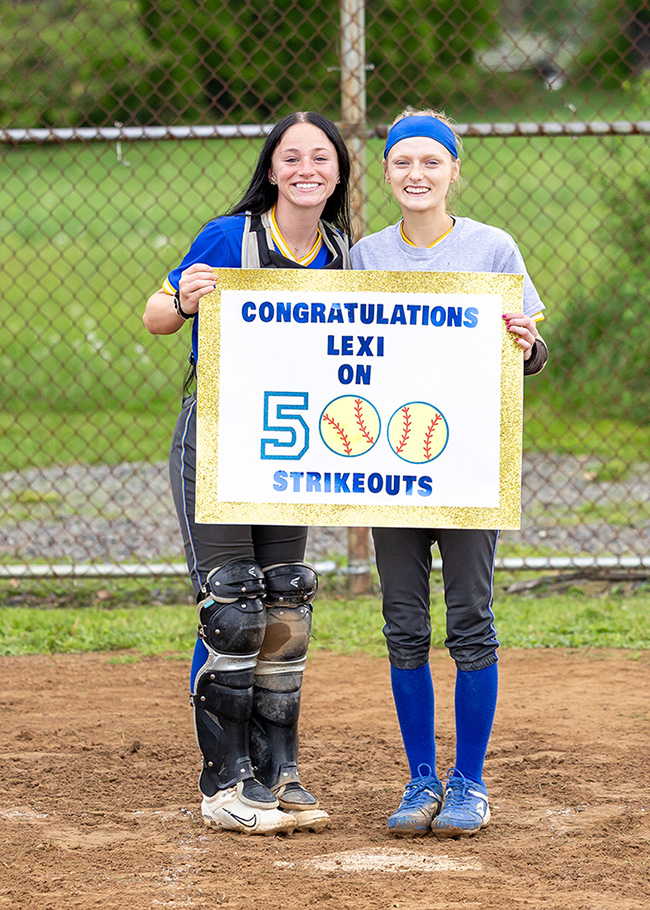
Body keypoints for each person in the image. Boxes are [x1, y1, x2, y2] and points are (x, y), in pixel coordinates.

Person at [144, 112, 352, 836]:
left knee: (285, 607)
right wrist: (182, 300)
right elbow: (156, 316)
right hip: (217, 435)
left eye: (319, 158)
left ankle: (277, 770)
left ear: (337, 172)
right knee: (232, 607)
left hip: (287, 448)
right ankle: (225, 782)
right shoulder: (230, 236)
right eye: (290, 157)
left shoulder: (339, 251)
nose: (305, 168)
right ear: (271, 170)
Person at [350, 109, 548, 838]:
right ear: (388, 171)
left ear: (454, 170)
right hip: (393, 467)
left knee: (470, 623)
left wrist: (526, 346)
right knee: (403, 625)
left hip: (468, 463)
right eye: (403, 162)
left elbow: (528, 353)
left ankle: (469, 780)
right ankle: (419, 780)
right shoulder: (367, 255)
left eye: (432, 162)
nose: (416, 175)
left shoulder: (492, 249)